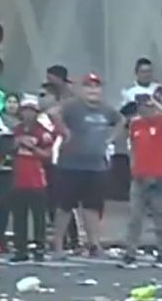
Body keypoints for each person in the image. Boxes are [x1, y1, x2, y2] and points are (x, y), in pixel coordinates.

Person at [49, 72, 121, 258]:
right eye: (89, 86)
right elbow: (52, 113)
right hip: (71, 165)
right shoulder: (73, 106)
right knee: (65, 206)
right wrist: (64, 132)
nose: (93, 90)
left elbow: (121, 120)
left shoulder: (106, 109)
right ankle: (58, 245)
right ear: (82, 89)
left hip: (96, 165)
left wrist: (111, 139)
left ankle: (94, 244)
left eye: (96, 86)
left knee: (92, 207)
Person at [121, 93, 162, 269]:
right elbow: (133, 149)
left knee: (161, 217)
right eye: (142, 106)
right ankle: (130, 254)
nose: (145, 109)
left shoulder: (161, 122)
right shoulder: (135, 124)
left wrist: (157, 103)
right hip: (139, 176)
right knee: (134, 217)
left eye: (148, 105)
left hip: (160, 176)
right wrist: (133, 168)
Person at [7, 95, 54, 262]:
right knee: (19, 216)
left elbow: (48, 155)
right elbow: (8, 151)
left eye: (31, 111)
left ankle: (39, 248)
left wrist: (32, 148)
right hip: (19, 179)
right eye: (25, 110)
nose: (28, 114)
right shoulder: (16, 130)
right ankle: (20, 249)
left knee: (39, 217)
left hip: (37, 180)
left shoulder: (43, 132)